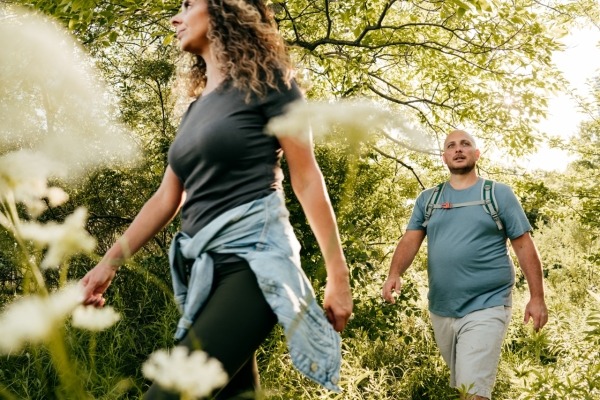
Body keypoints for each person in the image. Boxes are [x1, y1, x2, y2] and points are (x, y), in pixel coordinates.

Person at [79, 0, 353, 398]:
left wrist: (338, 275)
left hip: (253, 265)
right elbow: (166, 198)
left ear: (227, 9)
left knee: (169, 393)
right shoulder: (195, 111)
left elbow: (307, 178)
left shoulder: (271, 84)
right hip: (204, 274)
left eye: (189, 4)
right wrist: (107, 265)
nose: (176, 17)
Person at [382, 129, 548, 400]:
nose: (458, 149)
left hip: (488, 304)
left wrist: (537, 297)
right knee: (465, 387)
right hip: (442, 308)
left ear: (476, 153)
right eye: (451, 146)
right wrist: (394, 273)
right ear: (444, 157)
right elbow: (410, 240)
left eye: (465, 144)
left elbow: (524, 246)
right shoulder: (429, 199)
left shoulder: (498, 194)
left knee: (473, 391)